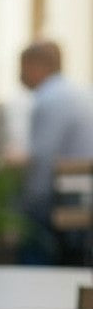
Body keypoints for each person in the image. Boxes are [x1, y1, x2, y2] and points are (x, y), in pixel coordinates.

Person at [10, 39, 93, 264]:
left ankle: (31, 286)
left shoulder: (48, 99)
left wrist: (23, 205)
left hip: (72, 201)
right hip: (84, 193)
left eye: (22, 67)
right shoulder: (79, 91)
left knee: (25, 215)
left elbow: (42, 164)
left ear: (35, 66)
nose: (19, 75)